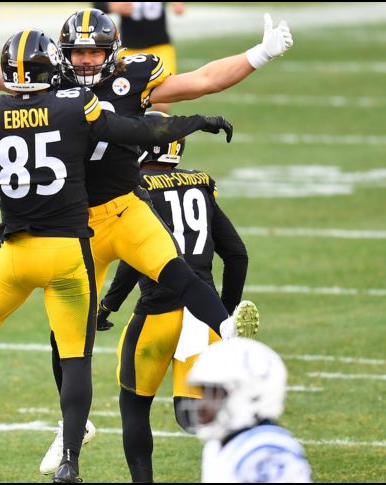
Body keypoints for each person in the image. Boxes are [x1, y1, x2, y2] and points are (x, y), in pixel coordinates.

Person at [0, 7, 291, 474]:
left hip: (123, 205)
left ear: (112, 50)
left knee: (173, 268)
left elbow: (203, 79)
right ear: (63, 52)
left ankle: (228, 333)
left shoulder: (131, 75)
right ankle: (70, 426)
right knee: (67, 334)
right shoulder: (45, 76)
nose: (88, 59)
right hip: (76, 224)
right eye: (79, 51)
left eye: (96, 50)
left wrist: (259, 54)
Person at [93, 111, 254, 482]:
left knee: (134, 406)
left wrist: (107, 306)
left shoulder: (137, 188)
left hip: (157, 314)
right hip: (204, 314)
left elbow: (138, 259)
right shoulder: (199, 184)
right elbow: (237, 254)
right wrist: (224, 316)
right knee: (193, 416)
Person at [185, 338, 313, 483]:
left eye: (215, 393)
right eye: (204, 393)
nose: (202, 404)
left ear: (251, 394)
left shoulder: (266, 452)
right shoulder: (217, 445)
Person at [92, 2, 185, 112]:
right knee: (121, 98)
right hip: (129, 48)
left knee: (162, 104)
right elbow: (98, 6)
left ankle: (158, 128)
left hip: (159, 46)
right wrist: (112, 7)